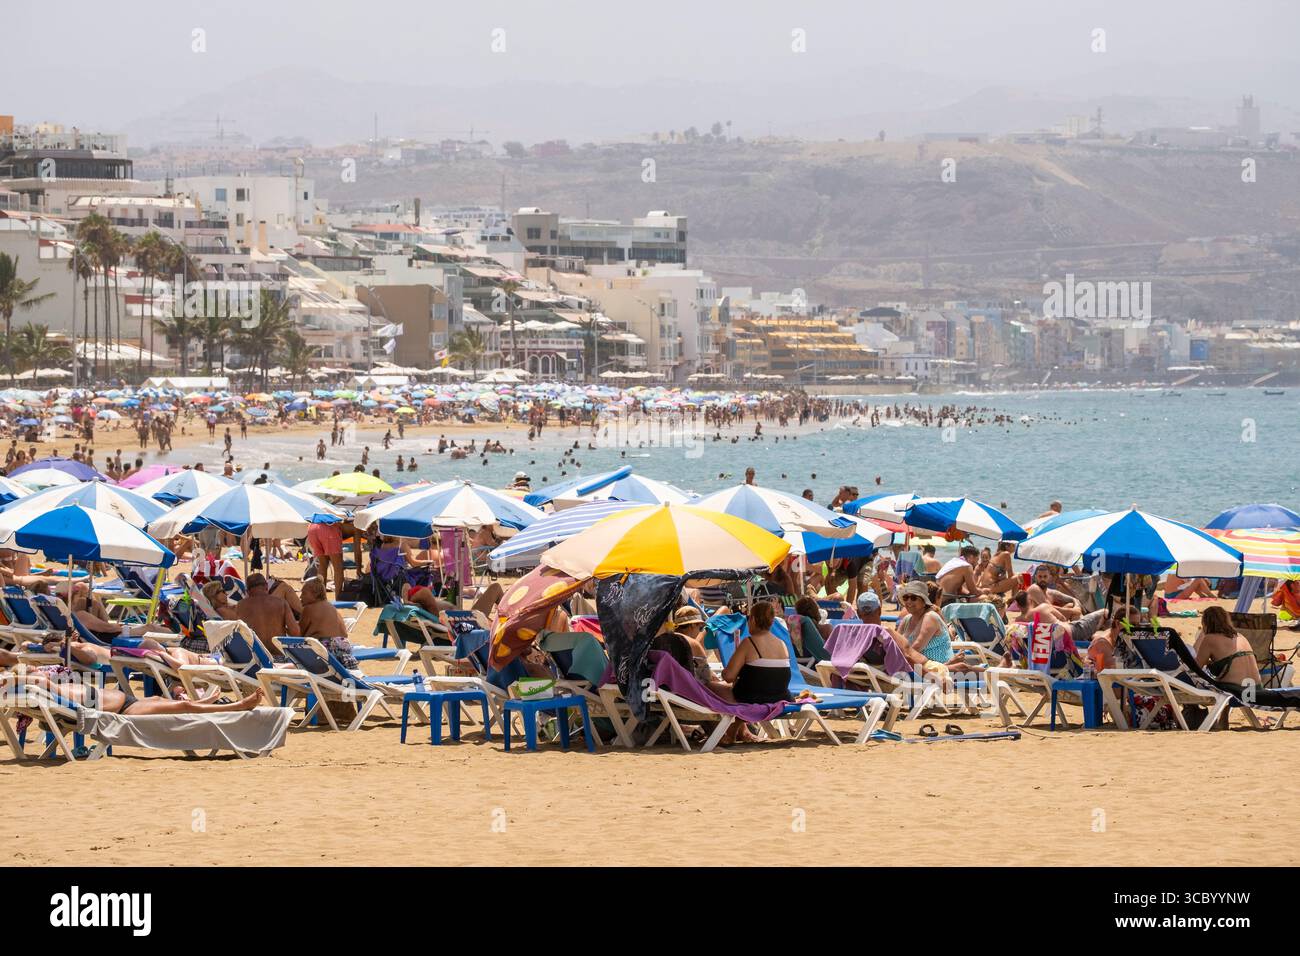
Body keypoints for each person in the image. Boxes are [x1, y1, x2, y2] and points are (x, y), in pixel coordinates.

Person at [3, 670, 263, 716]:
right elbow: (38, 680)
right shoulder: (49, 689)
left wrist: (10, 679)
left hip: (128, 700)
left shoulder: (51, 688)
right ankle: (236, 707)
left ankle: (206, 700)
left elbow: (38, 679)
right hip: (125, 709)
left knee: (163, 698)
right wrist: (10, 679)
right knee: (182, 708)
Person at [1194, 605, 1262, 685]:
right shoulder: (1240, 636)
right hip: (1256, 689)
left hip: (1236, 691)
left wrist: (1202, 634)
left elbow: (1196, 668)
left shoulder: (1210, 638)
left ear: (1205, 623)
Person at [298, 578, 359, 669]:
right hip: (344, 644)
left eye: (304, 593)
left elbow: (300, 634)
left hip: (326, 647)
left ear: (315, 594)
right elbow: (344, 633)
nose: (300, 597)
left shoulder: (309, 609)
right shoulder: (331, 607)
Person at [234, 573, 299, 657]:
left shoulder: (240, 605)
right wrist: (281, 627)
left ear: (248, 591)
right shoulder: (281, 603)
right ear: (266, 586)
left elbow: (237, 633)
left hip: (255, 659)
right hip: (279, 657)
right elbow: (295, 632)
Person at [307, 519, 345, 594]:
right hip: (329, 528)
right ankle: (338, 598)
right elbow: (357, 550)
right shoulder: (356, 527)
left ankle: (320, 598)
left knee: (322, 565)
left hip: (312, 527)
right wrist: (359, 569)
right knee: (338, 567)